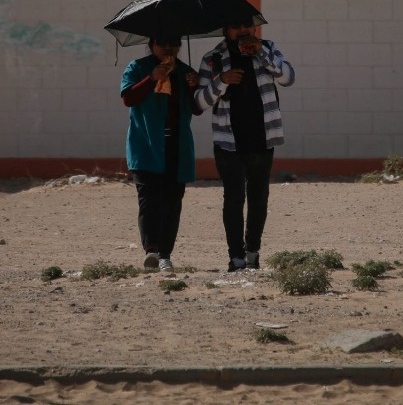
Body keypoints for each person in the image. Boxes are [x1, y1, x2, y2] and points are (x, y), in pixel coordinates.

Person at [194, 18, 295, 272]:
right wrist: (223, 79)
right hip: (228, 141)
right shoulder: (212, 59)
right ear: (226, 30)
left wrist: (261, 52)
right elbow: (198, 104)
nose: (243, 30)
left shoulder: (268, 48)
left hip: (263, 137)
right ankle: (236, 257)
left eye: (247, 25)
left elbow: (288, 77)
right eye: (236, 26)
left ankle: (252, 254)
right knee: (234, 198)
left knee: (259, 198)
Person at [120, 36, 202, 272]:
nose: (169, 47)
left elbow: (197, 109)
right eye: (162, 43)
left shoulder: (185, 72)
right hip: (145, 145)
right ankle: (151, 250)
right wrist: (151, 78)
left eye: (174, 43)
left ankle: (165, 254)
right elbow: (128, 98)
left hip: (177, 145)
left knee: (173, 201)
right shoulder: (138, 68)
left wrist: (194, 86)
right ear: (151, 44)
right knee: (149, 200)